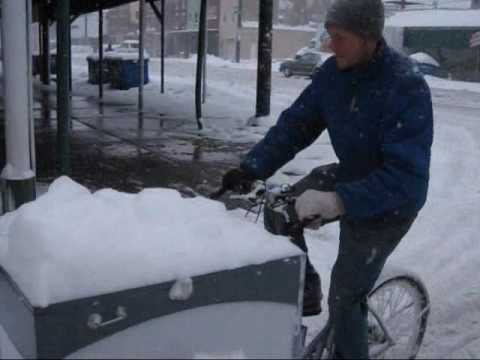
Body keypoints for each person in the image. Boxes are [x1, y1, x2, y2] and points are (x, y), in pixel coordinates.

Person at [221, 0, 433, 357]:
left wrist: (339, 201)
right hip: (350, 172)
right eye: (329, 35)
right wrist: (252, 167)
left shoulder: (405, 86)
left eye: (340, 37)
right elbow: (296, 124)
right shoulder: (333, 74)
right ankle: (306, 290)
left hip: (391, 201)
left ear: (369, 38)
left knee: (346, 296)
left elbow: (406, 177)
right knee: (280, 210)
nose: (330, 45)